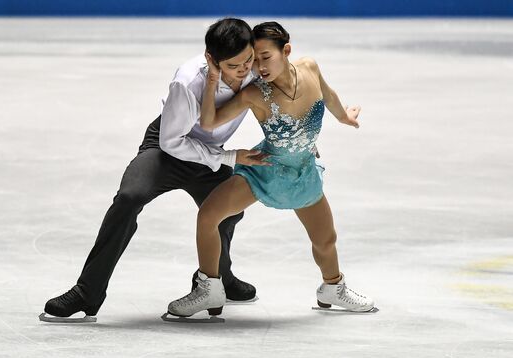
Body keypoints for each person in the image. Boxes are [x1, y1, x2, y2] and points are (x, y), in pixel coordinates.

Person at [41, 18, 269, 322]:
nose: (243, 70)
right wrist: (228, 157)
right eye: (233, 65)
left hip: (211, 154)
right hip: (167, 149)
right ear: (211, 59)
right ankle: (88, 291)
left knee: (230, 210)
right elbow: (174, 142)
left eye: (248, 59)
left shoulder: (256, 70)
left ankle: (218, 278)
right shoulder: (188, 82)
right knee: (129, 198)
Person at [167, 21, 375, 318]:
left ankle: (333, 287)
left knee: (326, 239)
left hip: (302, 172)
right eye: (255, 58)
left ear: (286, 50)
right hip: (265, 168)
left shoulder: (310, 68)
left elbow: (327, 96)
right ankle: (209, 288)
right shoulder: (255, 93)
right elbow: (209, 122)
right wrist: (213, 79)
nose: (259, 66)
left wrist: (344, 117)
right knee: (209, 215)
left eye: (265, 56)